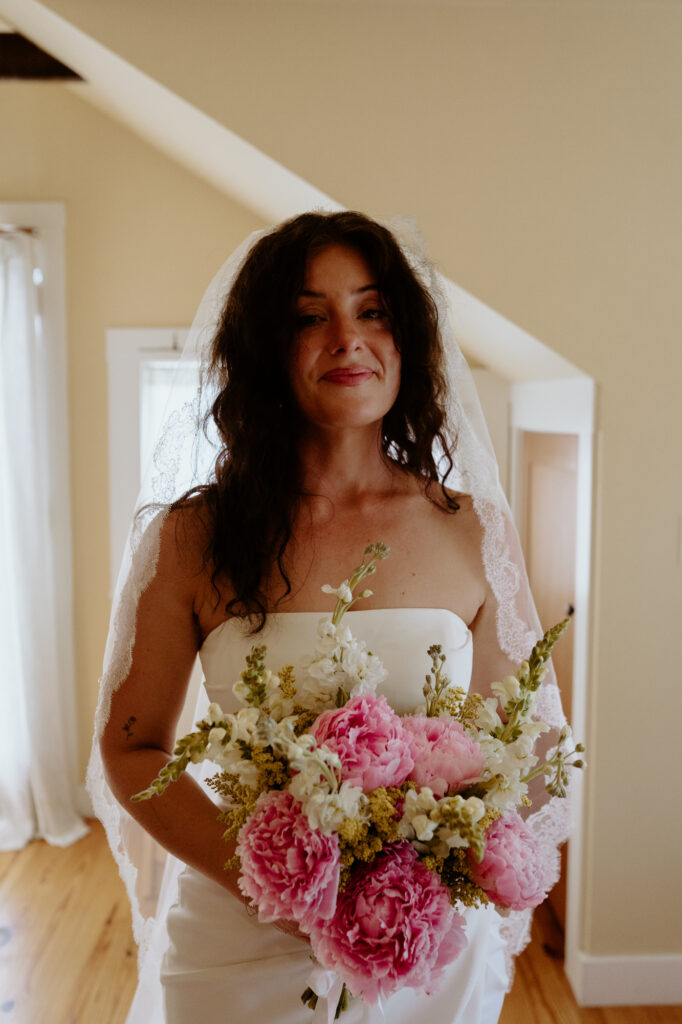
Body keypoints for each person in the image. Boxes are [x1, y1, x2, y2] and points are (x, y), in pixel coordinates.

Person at [88, 212, 570, 1024]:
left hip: (422, 948)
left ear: (406, 338)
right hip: (244, 939)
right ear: (267, 350)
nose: (348, 338)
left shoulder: (474, 529)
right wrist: (280, 887)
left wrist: (427, 867)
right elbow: (131, 746)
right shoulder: (190, 539)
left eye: (372, 310)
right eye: (310, 317)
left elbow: (515, 748)